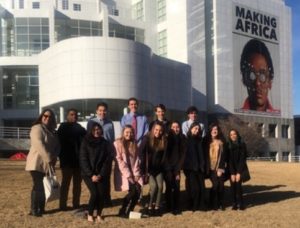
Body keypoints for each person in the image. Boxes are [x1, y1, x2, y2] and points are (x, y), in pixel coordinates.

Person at [25, 109, 60, 217]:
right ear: (41, 116)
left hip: (48, 164)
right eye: (45, 115)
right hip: (36, 162)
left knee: (44, 186)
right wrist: (50, 158)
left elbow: (58, 145)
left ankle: (41, 208)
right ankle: (34, 209)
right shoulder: (37, 128)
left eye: (50, 117)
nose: (47, 118)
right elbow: (38, 143)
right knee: (38, 186)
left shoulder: (53, 131)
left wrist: (55, 156)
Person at [79, 122, 112, 223]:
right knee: (95, 193)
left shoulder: (105, 143)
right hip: (88, 174)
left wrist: (101, 174)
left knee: (101, 194)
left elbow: (107, 160)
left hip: (101, 173)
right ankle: (90, 214)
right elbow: (83, 159)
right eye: (94, 129)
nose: (97, 131)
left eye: (98, 129)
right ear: (90, 131)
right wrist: (91, 175)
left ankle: (99, 214)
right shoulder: (85, 142)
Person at [57, 108, 86, 210]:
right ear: (67, 116)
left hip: (78, 162)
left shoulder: (80, 128)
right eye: (72, 114)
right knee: (65, 184)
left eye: (76, 115)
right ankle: (62, 205)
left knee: (77, 185)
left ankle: (76, 204)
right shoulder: (62, 127)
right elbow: (58, 143)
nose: (74, 116)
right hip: (66, 162)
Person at [240, 39, 279, 113]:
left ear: (270, 82)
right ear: (244, 79)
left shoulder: (278, 115)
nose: (257, 83)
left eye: (262, 76)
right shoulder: (234, 119)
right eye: (251, 75)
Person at [87, 102, 115, 206]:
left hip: (106, 153)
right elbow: (89, 137)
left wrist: (112, 153)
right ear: (96, 111)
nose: (102, 112)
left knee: (106, 177)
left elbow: (112, 139)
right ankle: (97, 199)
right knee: (97, 176)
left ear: (107, 111)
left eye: (104, 110)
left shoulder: (110, 123)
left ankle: (107, 199)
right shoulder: (91, 122)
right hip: (96, 153)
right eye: (100, 110)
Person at [114, 125, 143, 218]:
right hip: (124, 173)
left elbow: (137, 159)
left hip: (134, 172)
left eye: (131, 132)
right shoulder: (117, 143)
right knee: (132, 192)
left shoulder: (134, 144)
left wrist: (136, 174)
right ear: (123, 133)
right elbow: (119, 160)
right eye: (127, 132)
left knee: (137, 192)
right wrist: (128, 175)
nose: (129, 134)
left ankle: (130, 211)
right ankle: (122, 210)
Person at [140, 122, 167, 216]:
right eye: (156, 130)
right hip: (149, 169)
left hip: (159, 169)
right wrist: (143, 170)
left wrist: (163, 167)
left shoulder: (164, 140)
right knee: (154, 186)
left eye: (160, 130)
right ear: (152, 130)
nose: (158, 132)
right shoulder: (147, 139)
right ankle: (149, 205)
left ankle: (157, 207)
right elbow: (141, 154)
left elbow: (164, 156)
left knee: (160, 187)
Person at [163, 121, 186, 214]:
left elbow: (183, 155)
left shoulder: (183, 138)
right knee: (168, 187)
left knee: (176, 187)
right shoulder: (166, 139)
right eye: (173, 127)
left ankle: (176, 207)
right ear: (170, 128)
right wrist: (168, 169)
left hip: (177, 168)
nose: (175, 129)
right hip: (167, 167)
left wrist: (177, 171)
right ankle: (168, 206)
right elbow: (165, 155)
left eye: (177, 127)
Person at [183, 122, 206, 211]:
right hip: (190, 168)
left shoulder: (200, 140)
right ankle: (193, 205)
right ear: (191, 128)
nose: (196, 130)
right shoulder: (186, 139)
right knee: (194, 188)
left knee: (202, 187)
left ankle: (201, 204)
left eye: (198, 129)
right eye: (195, 128)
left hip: (200, 167)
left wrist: (202, 165)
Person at [204, 123, 226, 210]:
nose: (214, 131)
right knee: (215, 185)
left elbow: (224, 156)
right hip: (210, 168)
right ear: (210, 131)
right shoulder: (206, 141)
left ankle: (220, 203)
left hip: (219, 167)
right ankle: (211, 203)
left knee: (221, 185)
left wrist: (220, 168)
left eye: (216, 129)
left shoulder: (222, 142)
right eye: (213, 129)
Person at [226, 129, 250, 210]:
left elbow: (242, 159)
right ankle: (234, 203)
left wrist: (238, 173)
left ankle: (241, 203)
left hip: (240, 168)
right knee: (232, 186)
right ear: (229, 136)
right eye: (231, 134)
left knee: (238, 186)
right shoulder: (228, 145)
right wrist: (232, 173)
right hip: (231, 169)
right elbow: (228, 160)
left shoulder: (242, 144)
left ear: (237, 135)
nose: (233, 136)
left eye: (234, 134)